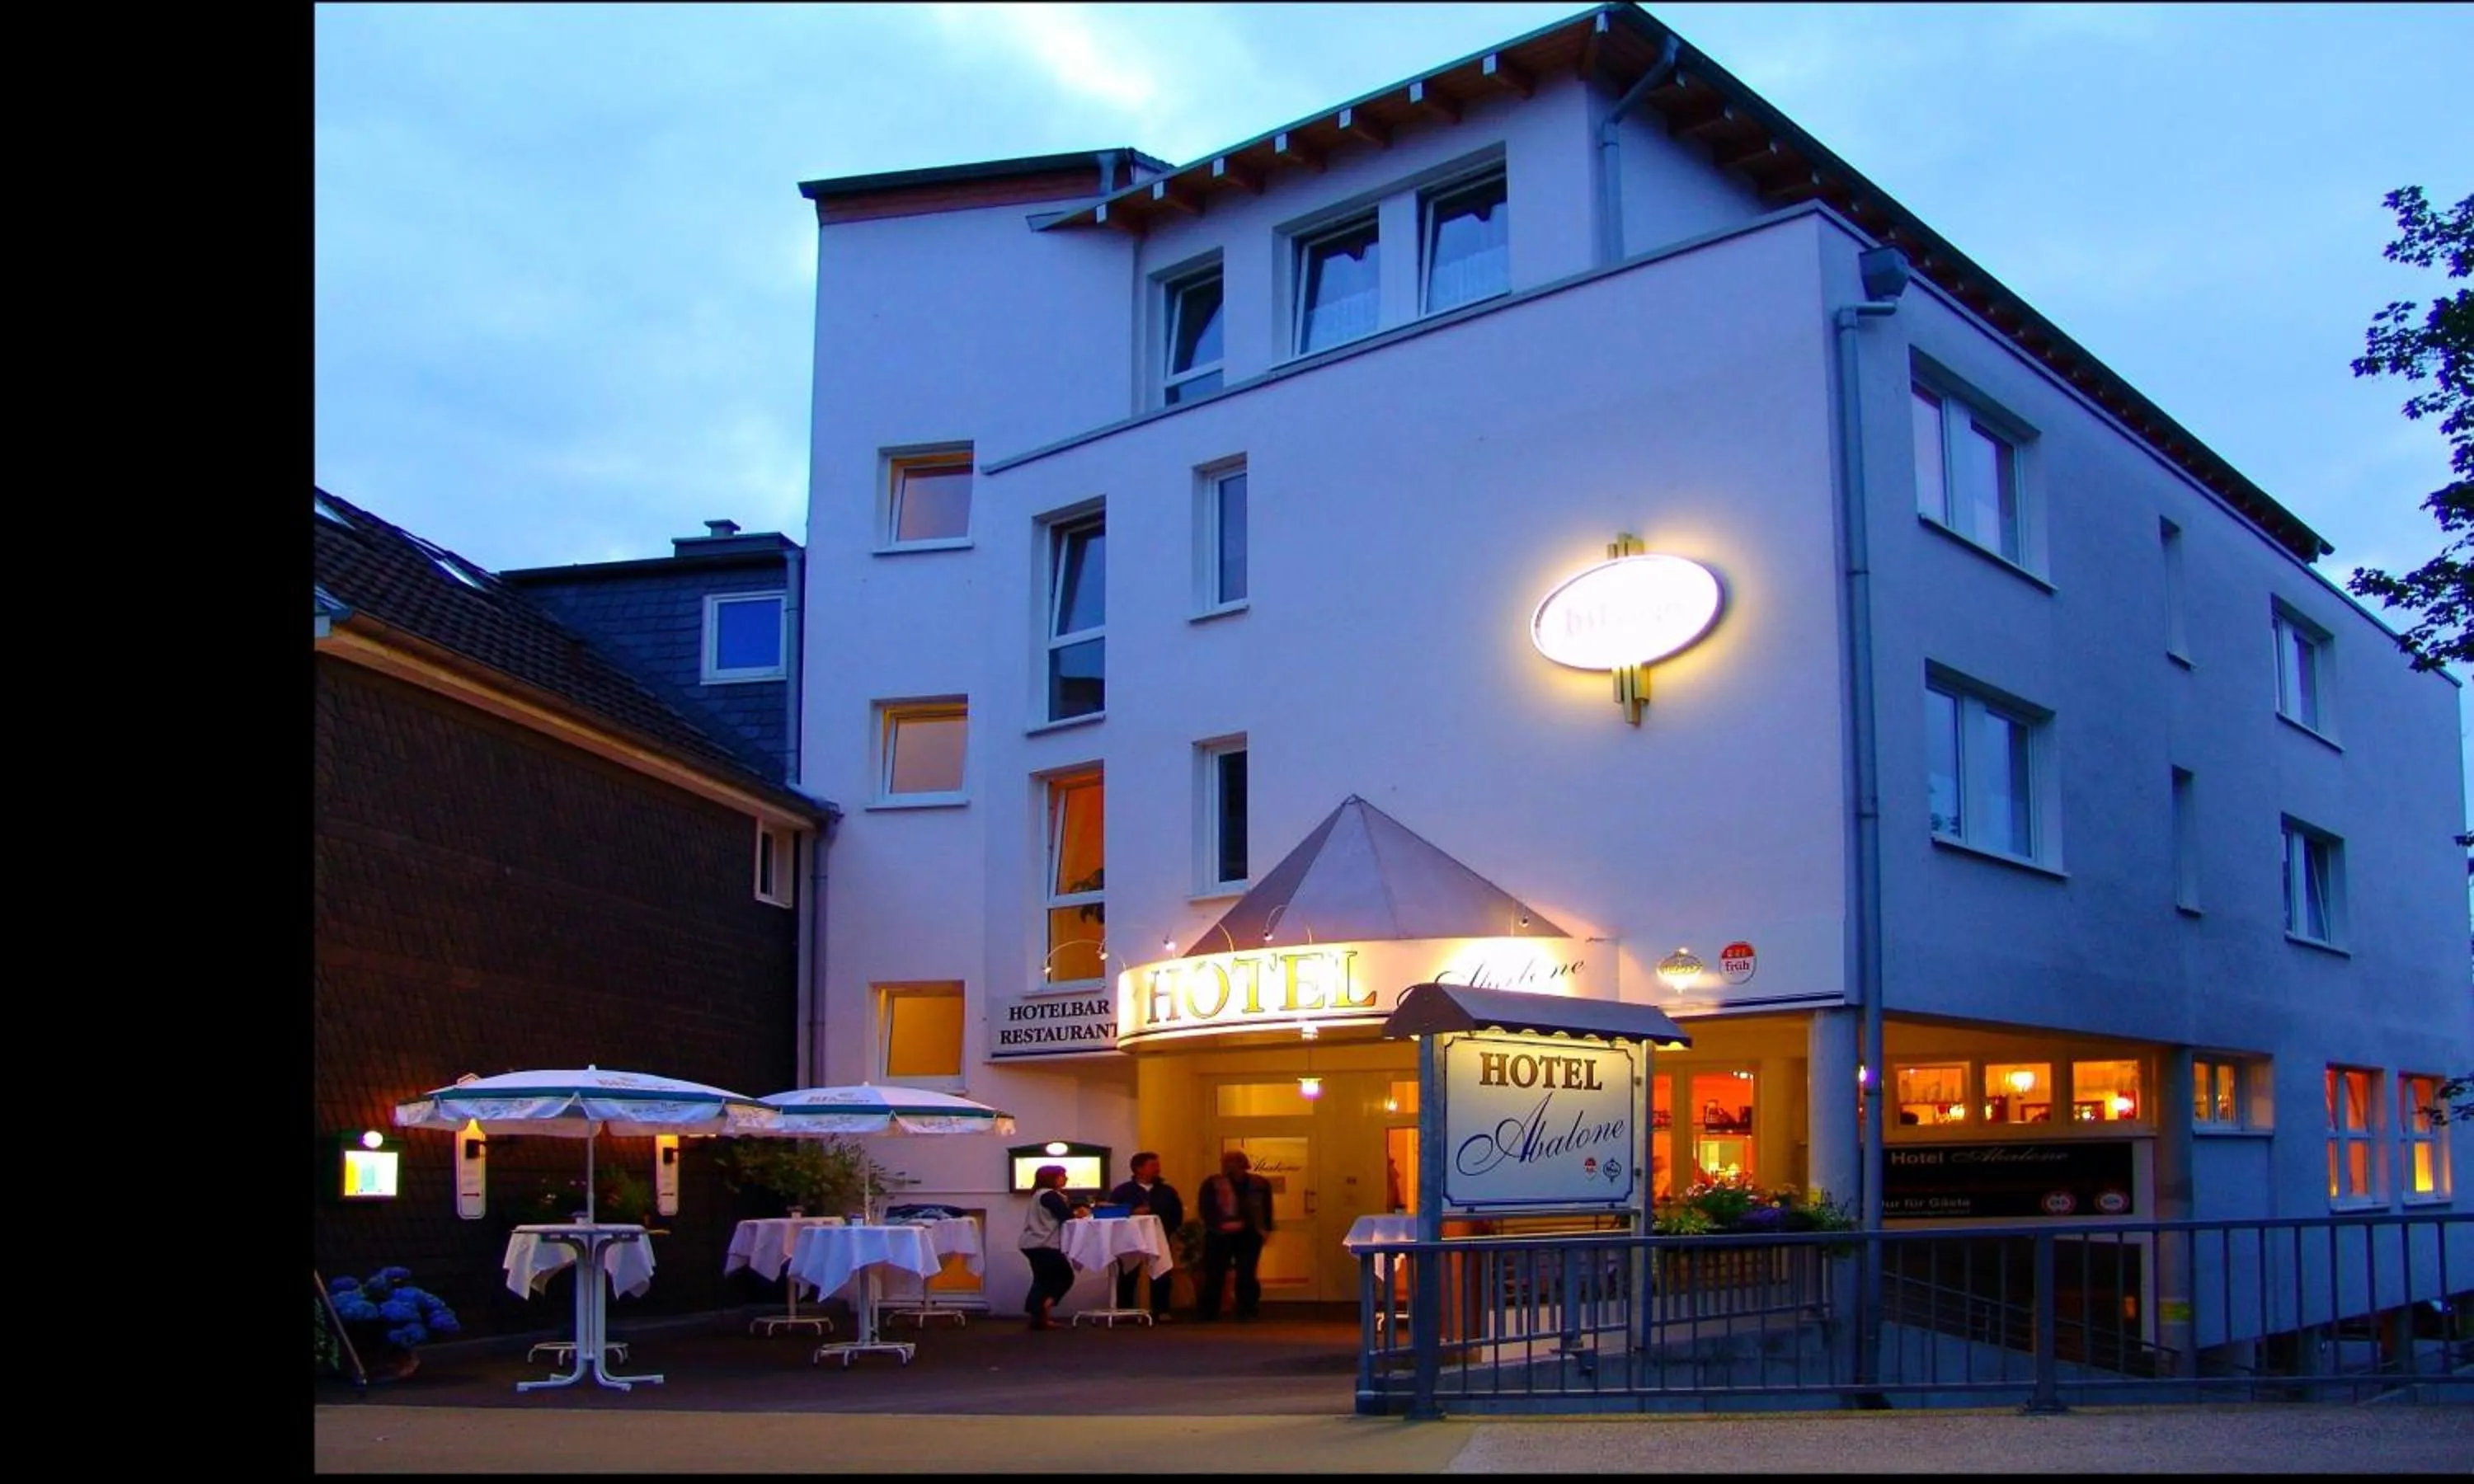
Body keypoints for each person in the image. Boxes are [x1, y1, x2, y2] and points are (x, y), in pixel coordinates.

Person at [1195, 1148, 1275, 1322]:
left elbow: (1266, 1208)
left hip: (1250, 1233)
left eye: (1233, 1163)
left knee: (1246, 1272)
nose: (1229, 1166)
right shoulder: (1213, 1183)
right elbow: (1205, 1208)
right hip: (1219, 1233)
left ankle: (1247, 1309)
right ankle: (1209, 1311)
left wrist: (1265, 1228)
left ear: (1243, 1164)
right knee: (1215, 1272)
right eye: (1226, 1163)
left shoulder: (1259, 1184)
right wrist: (1219, 1224)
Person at [1106, 1151, 1185, 1321]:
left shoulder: (1167, 1191)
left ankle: (1161, 1310)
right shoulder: (1123, 1191)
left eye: (1158, 1165)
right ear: (1138, 1168)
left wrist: (1171, 1231)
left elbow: (1176, 1214)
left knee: (1161, 1272)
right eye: (1153, 1165)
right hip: (1129, 1238)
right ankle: (1125, 1310)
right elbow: (1112, 1212)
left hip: (1160, 1237)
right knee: (1128, 1273)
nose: (1158, 1169)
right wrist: (1133, 1212)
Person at [1017, 1163, 1079, 1331]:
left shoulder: (1038, 1195)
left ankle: (1038, 1315)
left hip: (1032, 1243)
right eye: (1062, 1175)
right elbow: (1065, 1216)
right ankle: (1043, 1309)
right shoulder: (1050, 1195)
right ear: (1052, 1178)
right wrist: (1079, 1213)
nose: (1066, 1178)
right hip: (1044, 1243)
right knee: (1065, 1276)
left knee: (1042, 1279)